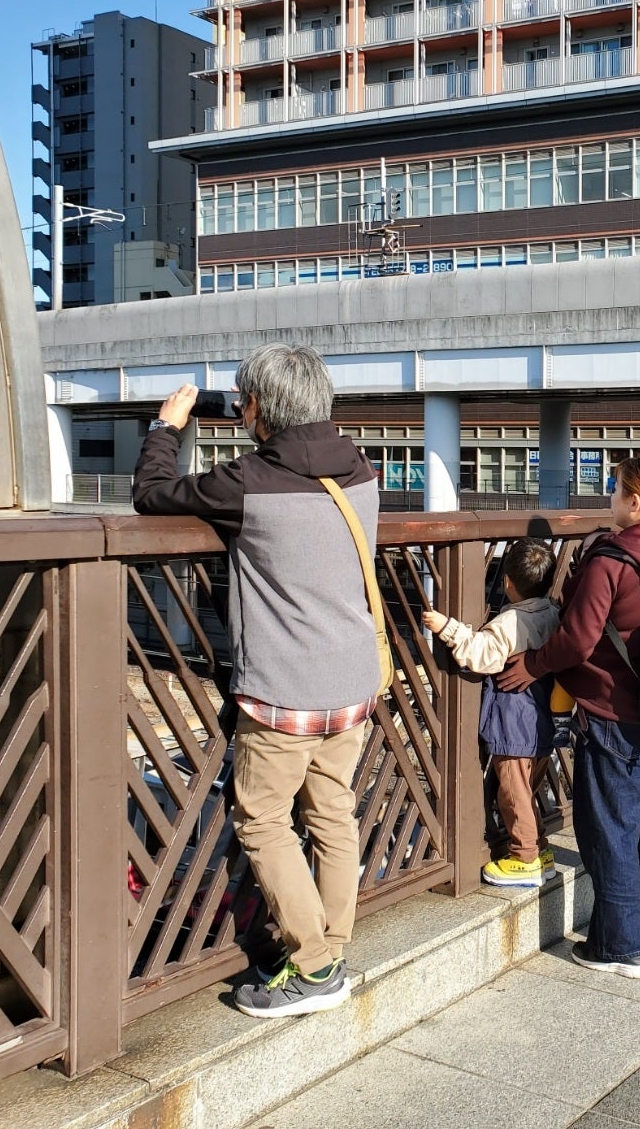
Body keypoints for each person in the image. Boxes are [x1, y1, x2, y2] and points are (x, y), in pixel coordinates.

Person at [133, 344, 379, 1019]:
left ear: (259, 409)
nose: (241, 410)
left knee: (263, 819)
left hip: (285, 692)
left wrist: (166, 428)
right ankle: (331, 949)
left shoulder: (247, 482)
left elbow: (151, 495)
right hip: (353, 680)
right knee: (331, 814)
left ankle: (315, 965)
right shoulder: (361, 467)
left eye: (245, 402)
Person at [498, 455, 640, 979]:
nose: (609, 497)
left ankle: (621, 946)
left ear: (634, 502)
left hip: (612, 708)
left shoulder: (610, 559)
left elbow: (577, 639)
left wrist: (533, 665)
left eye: (614, 489)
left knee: (612, 828)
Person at [424, 538, 561, 889]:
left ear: (508, 582)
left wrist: (448, 628)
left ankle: (525, 858)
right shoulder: (553, 612)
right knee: (529, 790)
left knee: (512, 794)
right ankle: (539, 849)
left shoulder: (509, 621)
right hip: (544, 719)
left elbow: (481, 654)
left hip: (514, 721)